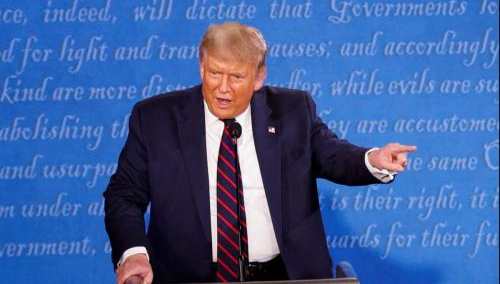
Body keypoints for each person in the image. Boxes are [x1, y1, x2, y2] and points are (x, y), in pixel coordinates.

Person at [104, 22, 416, 284]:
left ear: (258, 77)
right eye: (214, 73)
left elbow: (332, 155)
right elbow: (124, 195)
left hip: (283, 275)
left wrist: (372, 160)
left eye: (236, 77)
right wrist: (133, 254)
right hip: (188, 278)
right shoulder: (156, 119)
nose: (223, 88)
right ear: (201, 66)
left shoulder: (292, 112)